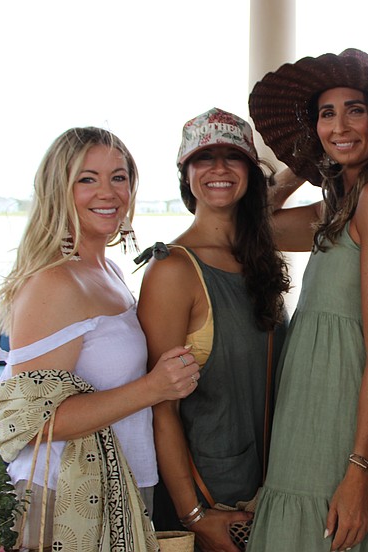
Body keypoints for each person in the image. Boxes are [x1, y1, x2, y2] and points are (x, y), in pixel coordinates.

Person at [246, 48, 368, 551]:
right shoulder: (339, 204)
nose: (339, 125)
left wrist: (361, 471)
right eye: (325, 114)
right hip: (306, 410)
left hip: (344, 415)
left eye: (355, 109)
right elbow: (252, 228)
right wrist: (300, 165)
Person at [0, 127, 200, 551]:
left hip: (125, 481)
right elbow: (30, 422)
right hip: (63, 498)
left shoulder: (108, 271)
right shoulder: (54, 282)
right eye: (87, 178)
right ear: (57, 189)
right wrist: (154, 387)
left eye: (119, 177)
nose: (108, 192)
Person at [136, 108, 289, 552]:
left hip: (268, 492)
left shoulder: (259, 256)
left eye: (233, 157)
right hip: (208, 497)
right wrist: (195, 515)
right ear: (186, 176)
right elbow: (160, 406)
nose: (219, 169)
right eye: (204, 158)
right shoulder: (172, 268)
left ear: (251, 173)